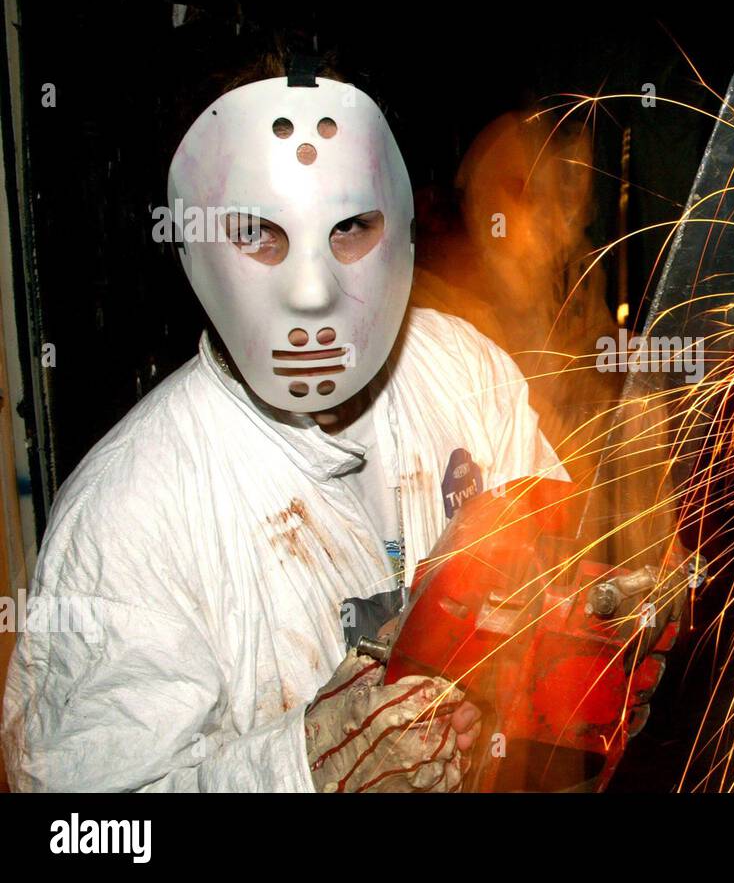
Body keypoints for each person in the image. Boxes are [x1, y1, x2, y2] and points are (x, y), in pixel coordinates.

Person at [0, 52, 567, 792]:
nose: (312, 291)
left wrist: (554, 680)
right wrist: (303, 767)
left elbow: (553, 573)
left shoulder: (465, 373)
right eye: (258, 233)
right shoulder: (127, 519)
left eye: (350, 227)